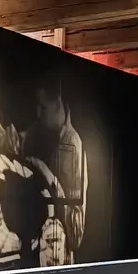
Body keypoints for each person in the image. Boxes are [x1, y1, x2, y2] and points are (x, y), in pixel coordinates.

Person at [22, 80, 87, 260]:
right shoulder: (40, 131)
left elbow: (75, 233)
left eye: (43, 108)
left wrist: (47, 175)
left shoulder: (72, 146)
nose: (38, 113)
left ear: (58, 104)